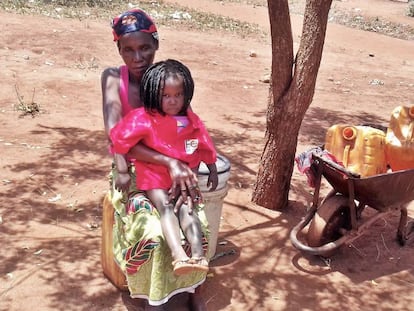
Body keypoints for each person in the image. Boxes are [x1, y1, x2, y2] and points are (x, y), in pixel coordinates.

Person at [101, 8, 209, 311]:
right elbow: (117, 137)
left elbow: (185, 128)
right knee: (150, 228)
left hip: (172, 167)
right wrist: (165, 164)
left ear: (156, 44)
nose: (138, 57)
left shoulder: (167, 78)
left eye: (145, 48)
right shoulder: (113, 78)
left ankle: (193, 287)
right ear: (119, 49)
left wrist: (188, 168)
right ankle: (152, 297)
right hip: (129, 169)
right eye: (129, 50)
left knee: (195, 215)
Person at [110, 59, 219, 276]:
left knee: (187, 210)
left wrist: (211, 166)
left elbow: (202, 141)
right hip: (153, 175)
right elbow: (120, 140)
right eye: (166, 96)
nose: (172, 101)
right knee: (166, 207)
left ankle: (198, 257)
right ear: (153, 94)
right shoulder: (144, 118)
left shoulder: (190, 120)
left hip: (183, 178)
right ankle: (179, 255)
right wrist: (122, 171)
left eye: (178, 95)